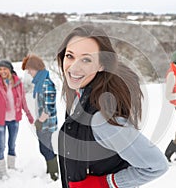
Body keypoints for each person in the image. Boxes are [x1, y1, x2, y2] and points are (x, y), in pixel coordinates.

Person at [56, 25, 168, 188]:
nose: (74, 67)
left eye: (86, 59)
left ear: (102, 65)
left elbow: (156, 165)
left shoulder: (101, 120)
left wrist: (103, 183)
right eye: (70, 56)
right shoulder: (78, 95)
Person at [0, 59, 34, 179]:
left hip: (14, 119)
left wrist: (28, 114)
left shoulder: (18, 83)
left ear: (10, 70)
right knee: (1, 146)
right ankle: (2, 172)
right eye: (0, 69)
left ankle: (11, 167)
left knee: (12, 144)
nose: (2, 71)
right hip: (0, 120)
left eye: (4, 69)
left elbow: (22, 100)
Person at [21, 54, 59, 181]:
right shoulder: (40, 82)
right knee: (46, 148)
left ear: (35, 68)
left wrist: (40, 121)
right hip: (43, 123)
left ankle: (54, 174)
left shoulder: (46, 84)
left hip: (46, 124)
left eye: (29, 70)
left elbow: (49, 107)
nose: (29, 73)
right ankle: (52, 170)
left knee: (45, 149)